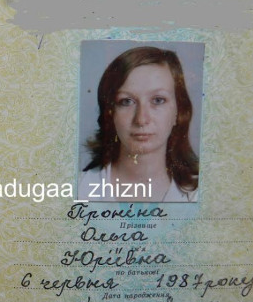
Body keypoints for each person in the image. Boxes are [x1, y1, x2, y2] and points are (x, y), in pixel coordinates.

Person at [79, 46, 199, 202]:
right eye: (126, 101)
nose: (141, 119)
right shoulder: (77, 189)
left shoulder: (202, 194)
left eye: (158, 100)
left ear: (179, 111)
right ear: (110, 113)